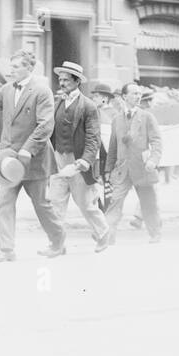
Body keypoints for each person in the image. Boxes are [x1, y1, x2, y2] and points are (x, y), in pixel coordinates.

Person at [0, 50, 66, 262]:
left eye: (16, 66)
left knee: (41, 204)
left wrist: (27, 149)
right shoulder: (7, 89)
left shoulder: (41, 91)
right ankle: (6, 249)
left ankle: (58, 240)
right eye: (11, 66)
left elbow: (46, 124)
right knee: (5, 203)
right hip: (9, 160)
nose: (11, 70)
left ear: (29, 68)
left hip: (33, 159)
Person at [46, 62, 112, 252]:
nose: (62, 82)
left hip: (78, 161)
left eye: (66, 79)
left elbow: (93, 138)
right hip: (58, 158)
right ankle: (57, 243)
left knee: (85, 204)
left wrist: (85, 161)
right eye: (60, 79)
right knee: (55, 203)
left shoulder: (88, 106)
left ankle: (103, 232)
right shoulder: (57, 103)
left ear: (77, 82)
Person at [103, 83, 164, 244]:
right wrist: (109, 169)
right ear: (124, 97)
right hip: (122, 169)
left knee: (148, 203)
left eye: (139, 94)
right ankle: (109, 235)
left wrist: (153, 160)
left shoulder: (147, 117)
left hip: (143, 168)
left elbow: (157, 141)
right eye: (134, 94)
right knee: (115, 201)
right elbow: (113, 146)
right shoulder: (116, 120)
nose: (138, 97)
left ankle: (155, 233)